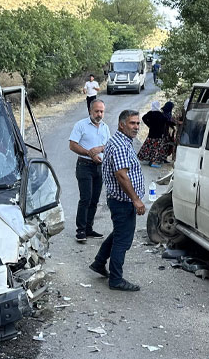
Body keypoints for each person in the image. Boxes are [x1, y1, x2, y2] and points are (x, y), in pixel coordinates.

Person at [88, 109, 146, 292]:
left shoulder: (120, 140)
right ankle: (116, 279)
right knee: (123, 240)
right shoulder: (121, 145)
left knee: (118, 233)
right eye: (132, 123)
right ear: (122, 124)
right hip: (123, 201)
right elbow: (121, 176)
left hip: (119, 200)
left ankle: (98, 263)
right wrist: (136, 200)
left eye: (138, 123)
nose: (136, 127)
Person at [69, 99, 110, 243]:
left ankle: (88, 228)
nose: (99, 114)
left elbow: (108, 146)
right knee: (86, 198)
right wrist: (89, 153)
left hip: (100, 167)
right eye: (96, 111)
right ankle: (80, 230)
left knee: (95, 199)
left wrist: (99, 149)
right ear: (90, 111)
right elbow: (72, 145)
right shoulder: (81, 125)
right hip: (84, 166)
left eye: (101, 111)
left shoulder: (105, 127)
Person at [137, 101, 176, 167]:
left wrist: (149, 124)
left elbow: (143, 118)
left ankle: (147, 159)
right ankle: (153, 162)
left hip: (151, 133)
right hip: (159, 135)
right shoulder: (160, 115)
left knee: (148, 146)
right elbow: (167, 121)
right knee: (157, 149)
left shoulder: (150, 113)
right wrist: (174, 124)